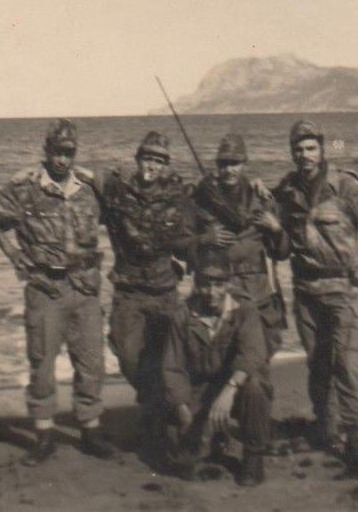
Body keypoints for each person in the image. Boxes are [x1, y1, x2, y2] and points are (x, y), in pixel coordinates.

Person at [0, 119, 114, 466]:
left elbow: (123, 215)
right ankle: (44, 434)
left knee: (92, 362)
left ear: (75, 153)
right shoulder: (25, 188)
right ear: (46, 151)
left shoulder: (90, 188)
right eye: (57, 152)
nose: (63, 159)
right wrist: (13, 253)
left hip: (85, 287)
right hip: (45, 288)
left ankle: (90, 430)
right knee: (42, 363)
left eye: (69, 153)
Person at [262, 119, 358, 482]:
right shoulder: (287, 191)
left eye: (310, 148)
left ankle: (357, 438)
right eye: (298, 149)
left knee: (345, 366)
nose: (304, 155)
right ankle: (326, 427)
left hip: (341, 291)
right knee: (318, 365)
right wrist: (270, 220)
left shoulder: (346, 186)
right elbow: (279, 243)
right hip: (305, 292)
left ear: (321, 150)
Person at [102, 131, 193, 444]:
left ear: (166, 166)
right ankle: (153, 404)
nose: (151, 166)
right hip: (129, 291)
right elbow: (84, 183)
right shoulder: (117, 191)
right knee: (129, 357)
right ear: (137, 160)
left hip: (165, 291)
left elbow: (190, 237)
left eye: (158, 161)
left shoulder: (179, 196)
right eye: (147, 159)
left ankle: (157, 415)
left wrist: (190, 258)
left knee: (168, 359)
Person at [162, 274, 272, 486]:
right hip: (200, 387)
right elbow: (173, 367)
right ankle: (214, 439)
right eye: (205, 285)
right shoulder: (183, 314)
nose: (212, 292)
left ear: (230, 283)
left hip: (234, 384)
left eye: (219, 285)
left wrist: (229, 390)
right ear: (196, 285)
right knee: (183, 461)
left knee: (255, 387)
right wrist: (181, 406)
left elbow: (252, 354)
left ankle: (253, 456)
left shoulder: (244, 309)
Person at [191, 133, 287, 359]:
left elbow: (282, 252)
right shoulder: (202, 201)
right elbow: (185, 248)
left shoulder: (261, 200)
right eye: (223, 164)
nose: (229, 170)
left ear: (244, 164)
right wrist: (206, 238)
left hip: (258, 295)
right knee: (222, 362)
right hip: (221, 298)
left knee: (258, 362)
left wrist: (277, 230)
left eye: (234, 163)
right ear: (217, 166)